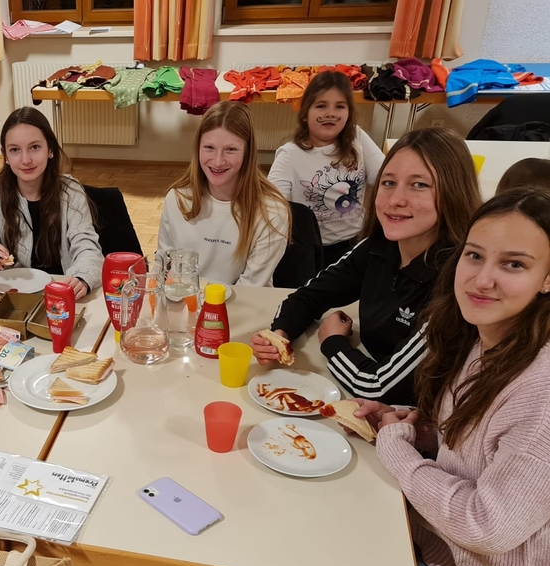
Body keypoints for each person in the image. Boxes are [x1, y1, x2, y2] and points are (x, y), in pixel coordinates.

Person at [263, 187, 550, 566]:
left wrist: (397, 446)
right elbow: (467, 437)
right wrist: (413, 425)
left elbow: (489, 526)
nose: (483, 278)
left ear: (546, 278)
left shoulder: (539, 390)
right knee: (293, 527)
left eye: (513, 264)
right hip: (434, 542)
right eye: (475, 255)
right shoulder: (490, 338)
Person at [251, 128, 481, 405]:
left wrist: (333, 342)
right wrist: (280, 333)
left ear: (453, 192)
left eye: (419, 185)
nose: (396, 200)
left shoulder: (457, 282)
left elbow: (380, 388)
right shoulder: (379, 247)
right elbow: (309, 296)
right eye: (388, 182)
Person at [0, 106, 102, 300]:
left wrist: (82, 277)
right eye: (14, 150)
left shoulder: (70, 192)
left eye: (34, 147)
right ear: (5, 155)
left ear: (50, 149)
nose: (26, 160)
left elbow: (88, 248)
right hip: (11, 297)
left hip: (62, 296)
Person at [157, 100, 290, 287]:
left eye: (231, 150)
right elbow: (164, 268)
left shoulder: (272, 212)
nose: (218, 161)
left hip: (243, 302)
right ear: (197, 148)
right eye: (209, 148)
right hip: (186, 301)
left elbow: (250, 287)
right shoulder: (177, 199)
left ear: (247, 153)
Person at [267, 70, 385, 266]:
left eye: (340, 106)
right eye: (321, 106)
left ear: (348, 113)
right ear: (305, 113)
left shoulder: (357, 137)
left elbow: (384, 177)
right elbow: (270, 205)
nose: (330, 113)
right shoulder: (290, 154)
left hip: (354, 241)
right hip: (310, 248)